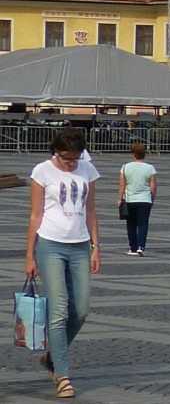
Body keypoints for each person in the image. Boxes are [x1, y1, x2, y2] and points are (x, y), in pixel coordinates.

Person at [26, 129, 101, 399]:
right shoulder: (42, 171)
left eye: (75, 158)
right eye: (66, 158)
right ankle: (62, 375)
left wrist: (95, 247)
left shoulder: (87, 171)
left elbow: (91, 210)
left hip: (80, 245)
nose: (71, 163)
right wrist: (29, 256)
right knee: (58, 312)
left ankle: (52, 356)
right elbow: (35, 215)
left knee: (80, 310)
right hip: (50, 244)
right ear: (55, 152)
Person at [118, 142, 157, 257]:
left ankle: (133, 247)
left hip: (130, 199)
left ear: (133, 154)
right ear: (144, 154)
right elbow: (153, 186)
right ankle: (141, 247)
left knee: (131, 224)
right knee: (143, 224)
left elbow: (122, 185)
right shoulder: (150, 168)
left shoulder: (125, 167)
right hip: (145, 200)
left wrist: (120, 198)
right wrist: (152, 199)